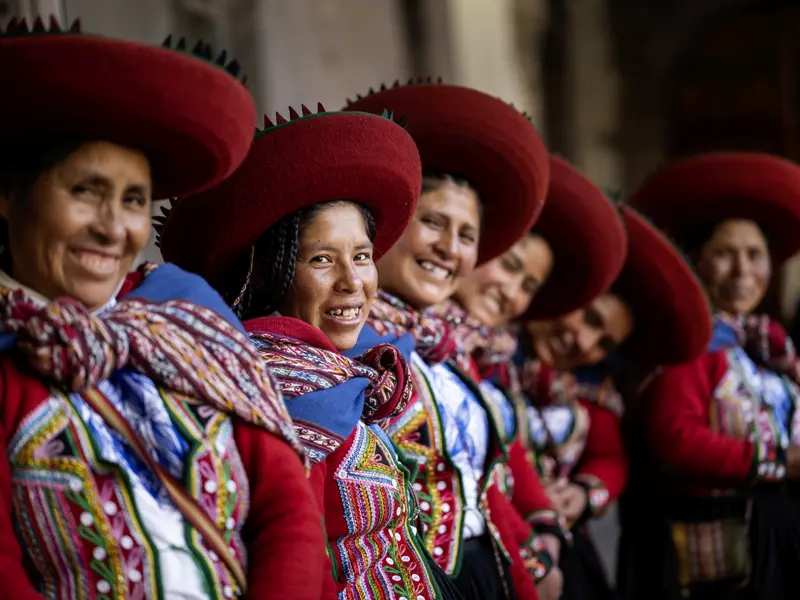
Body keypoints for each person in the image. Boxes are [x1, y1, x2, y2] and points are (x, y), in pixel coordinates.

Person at [0, 17, 325, 600]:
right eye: (85, 191)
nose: (112, 228)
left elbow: (287, 511)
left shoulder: (187, 322)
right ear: (7, 195)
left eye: (132, 201)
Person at [158, 106, 464, 600]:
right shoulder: (278, 391)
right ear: (263, 272)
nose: (353, 283)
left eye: (361, 257)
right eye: (322, 259)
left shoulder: (343, 374)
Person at [344, 81, 552, 600]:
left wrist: (535, 557)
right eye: (432, 222)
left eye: (466, 235)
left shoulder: (451, 351)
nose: (448, 248)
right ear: (388, 222)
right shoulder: (346, 338)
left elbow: (476, 483)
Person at [434, 155, 627, 600]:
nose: (584, 342)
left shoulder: (491, 356)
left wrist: (574, 501)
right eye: (510, 266)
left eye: (529, 287)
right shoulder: (432, 345)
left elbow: (603, 455)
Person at [623, 153, 800, 600]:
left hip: (779, 529)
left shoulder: (771, 350)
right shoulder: (692, 345)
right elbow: (675, 437)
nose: (743, 271)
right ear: (697, 261)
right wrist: (780, 460)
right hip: (719, 554)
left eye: (754, 255)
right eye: (725, 254)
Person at [519, 205, 712, 600]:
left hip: (561, 548)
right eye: (589, 318)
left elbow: (609, 457)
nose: (584, 345)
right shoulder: (485, 350)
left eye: (604, 343)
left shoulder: (591, 385)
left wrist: (585, 494)